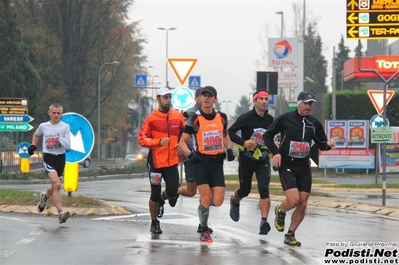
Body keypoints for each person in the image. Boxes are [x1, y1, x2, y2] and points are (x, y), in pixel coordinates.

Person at [263, 91, 336, 246]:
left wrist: (329, 144)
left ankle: (290, 234)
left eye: (311, 104)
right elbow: (267, 136)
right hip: (287, 165)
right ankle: (280, 211)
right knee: (294, 199)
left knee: (303, 202)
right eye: (305, 103)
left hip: (303, 166)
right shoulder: (285, 118)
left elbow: (322, 144)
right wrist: (275, 153)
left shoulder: (314, 123)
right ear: (299, 103)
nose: (308, 106)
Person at [178, 86, 235, 243]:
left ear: (215, 99)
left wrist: (229, 149)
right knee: (205, 196)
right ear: (200, 98)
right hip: (200, 162)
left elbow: (225, 135)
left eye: (210, 96)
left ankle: (202, 210)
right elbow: (182, 142)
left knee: (217, 201)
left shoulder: (222, 117)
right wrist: (190, 155)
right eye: (204, 96)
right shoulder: (194, 119)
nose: (207, 99)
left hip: (216, 162)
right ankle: (204, 229)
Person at [138, 87, 185, 234]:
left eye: (170, 97)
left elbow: (185, 134)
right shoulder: (151, 119)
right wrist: (157, 142)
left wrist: (181, 144)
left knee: (172, 190)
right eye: (165, 98)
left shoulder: (178, 116)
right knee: (154, 193)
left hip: (172, 161)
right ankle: (154, 222)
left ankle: (162, 200)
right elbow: (142, 138)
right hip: (156, 163)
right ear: (158, 99)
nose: (168, 100)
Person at [227, 89, 274, 235]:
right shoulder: (246, 117)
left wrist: (275, 146)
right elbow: (230, 132)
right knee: (245, 190)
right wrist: (244, 142)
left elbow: (273, 136)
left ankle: (264, 221)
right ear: (255, 101)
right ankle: (235, 200)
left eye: (266, 99)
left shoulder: (270, 120)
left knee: (264, 188)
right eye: (261, 99)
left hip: (263, 158)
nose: (264, 102)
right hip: (247, 158)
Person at [175, 87, 213, 234]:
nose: (204, 99)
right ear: (197, 98)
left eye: (208, 96)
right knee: (191, 191)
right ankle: (174, 192)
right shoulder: (189, 114)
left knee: (206, 192)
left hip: (207, 159)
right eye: (202, 96)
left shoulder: (212, 115)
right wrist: (185, 151)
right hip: (191, 157)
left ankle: (202, 224)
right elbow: (181, 134)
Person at [28, 103, 71, 224]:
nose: (56, 115)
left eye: (58, 113)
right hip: (48, 158)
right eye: (54, 113)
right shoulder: (43, 126)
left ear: (61, 114)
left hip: (60, 159)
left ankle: (45, 197)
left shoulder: (65, 127)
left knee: (55, 185)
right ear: (49, 113)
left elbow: (68, 145)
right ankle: (60, 213)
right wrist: (33, 145)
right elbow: (36, 134)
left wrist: (60, 139)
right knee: (57, 184)